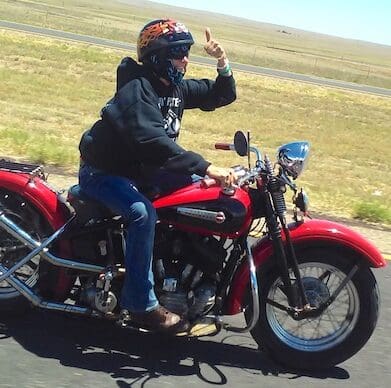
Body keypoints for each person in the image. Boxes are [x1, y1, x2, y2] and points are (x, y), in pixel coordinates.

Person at [78, 18, 237, 333]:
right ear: (158, 57)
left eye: (187, 52)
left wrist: (222, 62)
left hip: (143, 171)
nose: (185, 60)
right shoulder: (137, 89)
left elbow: (220, 95)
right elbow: (151, 140)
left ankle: (187, 273)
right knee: (141, 213)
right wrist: (206, 166)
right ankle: (141, 303)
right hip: (104, 172)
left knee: (205, 196)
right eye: (179, 53)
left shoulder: (174, 87)